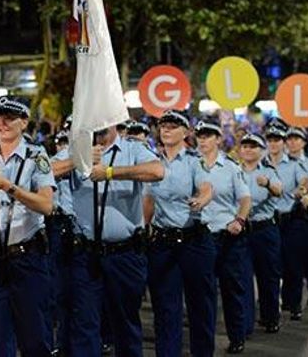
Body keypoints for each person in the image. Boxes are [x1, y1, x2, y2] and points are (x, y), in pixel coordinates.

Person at [57, 119, 164, 356]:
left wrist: (111, 172)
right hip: (85, 255)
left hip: (124, 254)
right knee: (84, 324)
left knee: (125, 325)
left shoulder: (133, 148)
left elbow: (157, 170)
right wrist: (79, 160)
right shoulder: (76, 148)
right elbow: (45, 172)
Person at [0, 95, 56, 356]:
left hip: (27, 258)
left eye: (9, 117)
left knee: (34, 339)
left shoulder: (37, 156)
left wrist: (9, 187)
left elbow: (47, 205)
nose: (1, 122)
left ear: (24, 122)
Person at [143, 109, 215, 357]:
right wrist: (143, 229)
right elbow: (149, 202)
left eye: (173, 126)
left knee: (200, 305)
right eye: (163, 125)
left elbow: (207, 188)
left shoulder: (195, 161)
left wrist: (200, 201)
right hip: (163, 243)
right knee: (165, 307)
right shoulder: (153, 163)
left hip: (193, 241)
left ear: (186, 132)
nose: (166, 129)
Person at [197, 119, 252, 355]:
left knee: (232, 290)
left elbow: (245, 199)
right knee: (203, 293)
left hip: (227, 236)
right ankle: (204, 344)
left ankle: (237, 336)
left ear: (218, 139)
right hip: (200, 237)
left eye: (209, 135)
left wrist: (239, 220)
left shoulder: (230, 167)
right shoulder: (192, 164)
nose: (203, 139)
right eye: (200, 135)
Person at [266, 126, 308, 321]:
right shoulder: (261, 163)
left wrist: (305, 195)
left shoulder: (300, 164)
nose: (275, 143)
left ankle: (296, 300)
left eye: (278, 140)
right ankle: (273, 304)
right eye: (270, 140)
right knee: (273, 264)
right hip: (269, 220)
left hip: (295, 216)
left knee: (297, 261)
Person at [238, 132, 284, 334]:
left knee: (268, 277)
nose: (248, 149)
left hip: (264, 229)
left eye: (253, 146)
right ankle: (245, 325)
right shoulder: (234, 171)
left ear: (261, 150)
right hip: (240, 231)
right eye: (245, 146)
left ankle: (271, 316)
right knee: (243, 278)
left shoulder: (268, 171)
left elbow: (279, 190)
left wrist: (267, 184)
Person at [47, 129, 74, 354]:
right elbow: (48, 170)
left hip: (85, 232)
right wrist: (78, 159)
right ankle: (63, 344)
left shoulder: (102, 156)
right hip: (59, 228)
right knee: (59, 293)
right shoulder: (58, 158)